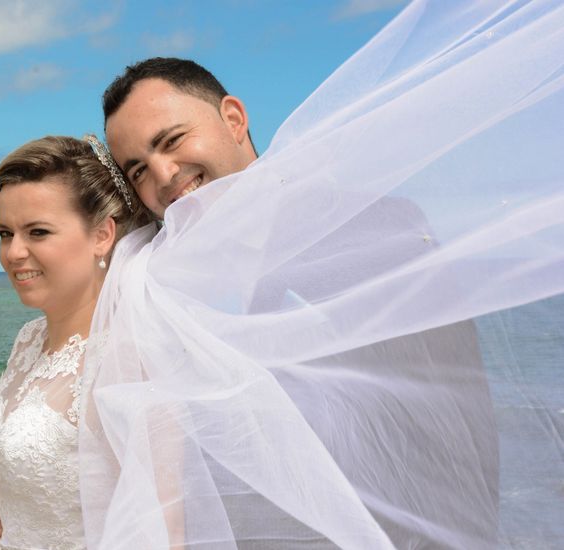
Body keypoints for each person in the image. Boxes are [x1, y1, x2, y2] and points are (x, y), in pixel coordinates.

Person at [78, 1, 563, 548]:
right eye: (139, 169)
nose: (164, 176)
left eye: (172, 141)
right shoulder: (153, 281)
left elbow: (457, 422)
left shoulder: (376, 226)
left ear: (233, 119)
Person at [0, 135, 150, 550]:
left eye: (38, 232)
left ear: (102, 235)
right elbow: (7, 445)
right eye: (5, 233)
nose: (14, 252)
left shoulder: (127, 358)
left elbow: (165, 517)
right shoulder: (29, 338)